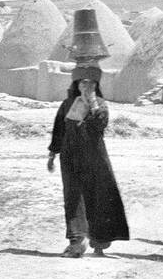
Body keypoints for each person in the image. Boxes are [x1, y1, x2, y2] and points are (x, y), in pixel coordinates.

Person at [48, 65, 130, 256]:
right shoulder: (68, 104)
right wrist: (53, 153)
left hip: (94, 157)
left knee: (97, 195)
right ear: (77, 84)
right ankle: (77, 240)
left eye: (91, 83)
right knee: (73, 196)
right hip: (70, 156)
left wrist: (91, 104)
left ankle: (99, 239)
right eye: (83, 82)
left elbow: (99, 126)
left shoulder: (100, 104)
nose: (87, 86)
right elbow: (59, 128)